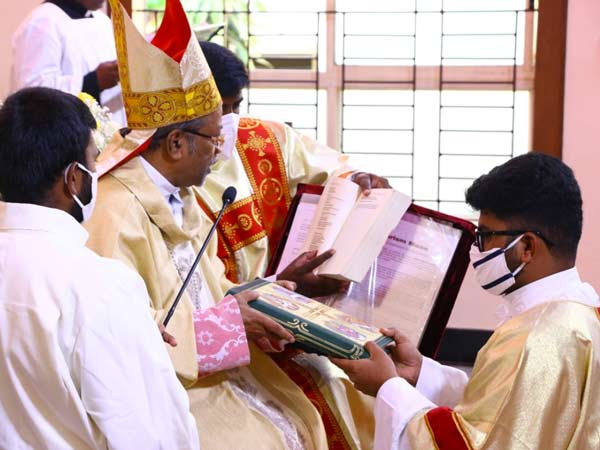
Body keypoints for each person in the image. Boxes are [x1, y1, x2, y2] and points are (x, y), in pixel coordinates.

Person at [86, 1, 376, 448]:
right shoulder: (116, 212)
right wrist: (230, 326)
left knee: (328, 397)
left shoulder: (178, 194)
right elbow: (115, 339)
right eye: (213, 135)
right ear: (176, 143)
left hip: (222, 370)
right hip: (172, 392)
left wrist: (277, 293)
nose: (225, 143)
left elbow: (214, 291)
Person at [332, 152, 600, 449]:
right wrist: (421, 374)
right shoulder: (583, 310)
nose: (477, 249)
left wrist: (388, 388)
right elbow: (503, 408)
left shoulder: (531, 338)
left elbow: (473, 444)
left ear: (526, 246)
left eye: (484, 236)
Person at [0, 87, 198, 449]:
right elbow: (150, 434)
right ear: (73, 178)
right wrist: (127, 325)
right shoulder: (100, 285)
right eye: (93, 164)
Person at [196, 41, 391, 287]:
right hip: (230, 305)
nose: (229, 121)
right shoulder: (165, 173)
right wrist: (280, 286)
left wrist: (358, 179)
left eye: (236, 106)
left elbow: (332, 170)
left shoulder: (264, 138)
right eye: (219, 109)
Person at [11, 0, 125, 124]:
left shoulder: (102, 19)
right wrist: (94, 82)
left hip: (112, 126)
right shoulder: (42, 21)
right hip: (66, 130)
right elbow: (32, 94)